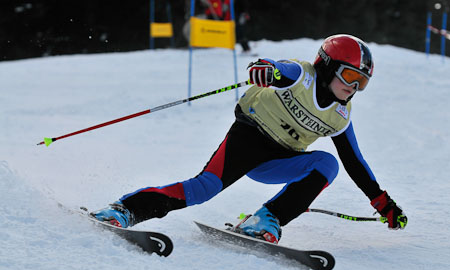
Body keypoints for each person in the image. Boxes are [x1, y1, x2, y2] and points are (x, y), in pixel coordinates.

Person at [92, 34, 407, 244]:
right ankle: (125, 209)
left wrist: (382, 202)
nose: (354, 87)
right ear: (328, 65)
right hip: (248, 140)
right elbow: (278, 69)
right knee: (203, 189)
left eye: (362, 83)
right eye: (351, 76)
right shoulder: (303, 74)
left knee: (328, 163)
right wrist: (265, 70)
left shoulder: (339, 114)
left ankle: (265, 219)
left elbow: (354, 160)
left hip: (278, 159)